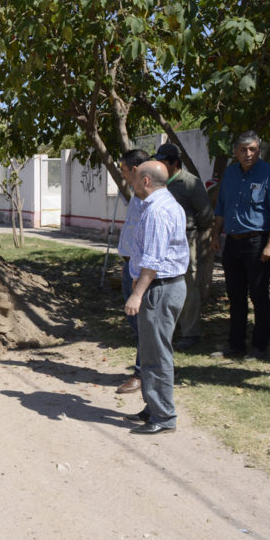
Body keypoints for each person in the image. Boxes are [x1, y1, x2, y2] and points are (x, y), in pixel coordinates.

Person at [123, 161, 189, 434]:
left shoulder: (156, 212)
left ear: (146, 181)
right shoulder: (164, 204)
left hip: (159, 288)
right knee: (150, 350)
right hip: (162, 286)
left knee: (157, 355)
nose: (132, 182)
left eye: (135, 178)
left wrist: (137, 294)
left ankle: (163, 417)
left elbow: (151, 261)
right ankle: (153, 406)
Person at [211, 131, 270, 359]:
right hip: (232, 242)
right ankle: (235, 345)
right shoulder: (230, 174)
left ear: (258, 150)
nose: (248, 154)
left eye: (253, 149)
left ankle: (259, 347)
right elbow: (221, 207)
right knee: (235, 295)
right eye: (243, 150)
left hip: (257, 241)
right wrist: (215, 233)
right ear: (235, 152)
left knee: (258, 294)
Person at [154, 143, 213, 349]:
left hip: (185, 240)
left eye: (163, 162)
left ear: (174, 163)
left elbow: (206, 215)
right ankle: (166, 329)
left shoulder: (189, 183)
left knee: (187, 284)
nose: (159, 165)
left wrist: (193, 231)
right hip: (160, 240)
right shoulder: (157, 181)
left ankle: (190, 333)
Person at [115, 148, 150, 394]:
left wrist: (139, 275)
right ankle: (155, 363)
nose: (122, 175)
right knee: (135, 321)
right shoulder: (137, 196)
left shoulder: (151, 199)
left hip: (140, 269)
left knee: (144, 323)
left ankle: (143, 371)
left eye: (124, 170)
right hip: (130, 264)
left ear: (135, 170)